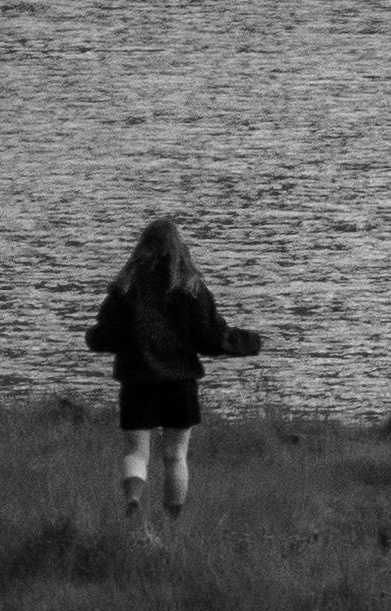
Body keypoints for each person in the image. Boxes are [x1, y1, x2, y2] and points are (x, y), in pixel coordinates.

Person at [85, 215, 265, 538]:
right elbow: (212, 338)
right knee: (175, 454)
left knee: (136, 451)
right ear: (179, 248)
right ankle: (171, 524)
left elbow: (106, 335)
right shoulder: (191, 288)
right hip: (179, 384)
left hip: (137, 381)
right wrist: (251, 342)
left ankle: (134, 499)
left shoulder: (126, 287)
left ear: (142, 247)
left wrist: (91, 337)